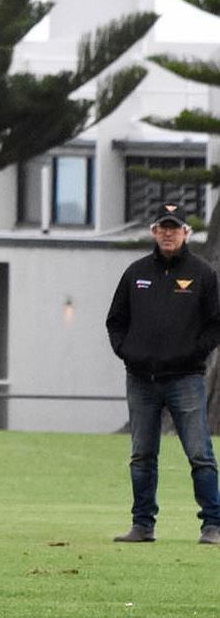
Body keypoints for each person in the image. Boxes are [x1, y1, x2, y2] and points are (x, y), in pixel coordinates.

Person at [105, 202, 220, 544]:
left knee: (199, 453)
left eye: (175, 228)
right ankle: (143, 524)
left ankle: (213, 524)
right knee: (142, 454)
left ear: (187, 232)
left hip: (185, 378)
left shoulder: (202, 274)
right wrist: (128, 352)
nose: (168, 234)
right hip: (141, 380)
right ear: (153, 231)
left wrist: (193, 353)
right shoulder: (135, 273)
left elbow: (215, 325)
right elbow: (116, 321)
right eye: (162, 227)